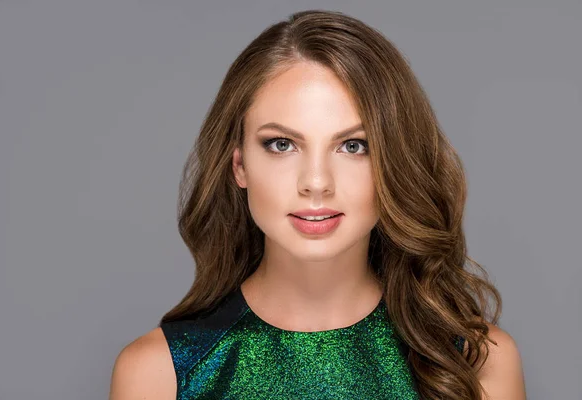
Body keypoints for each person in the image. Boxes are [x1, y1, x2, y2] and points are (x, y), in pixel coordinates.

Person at [109, 9, 526, 400]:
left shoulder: (477, 363)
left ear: (394, 163)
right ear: (240, 165)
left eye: (352, 145)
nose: (316, 183)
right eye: (282, 144)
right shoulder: (157, 375)